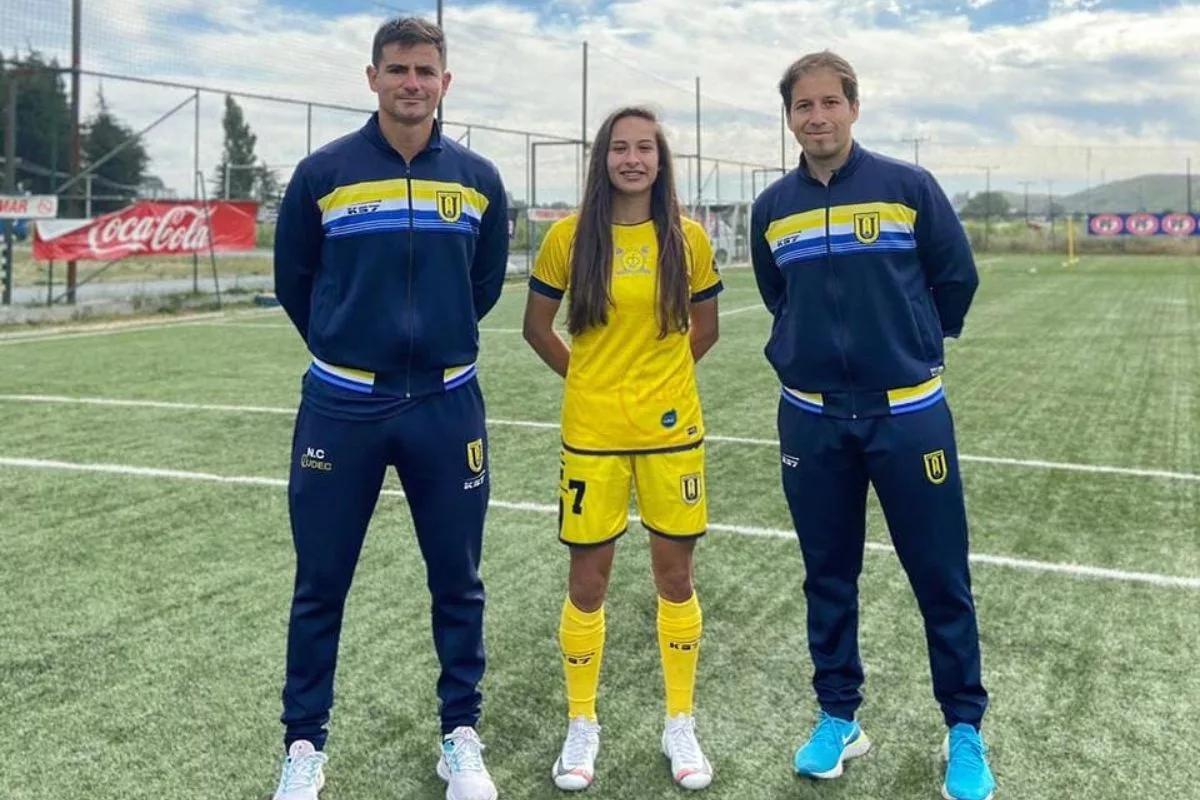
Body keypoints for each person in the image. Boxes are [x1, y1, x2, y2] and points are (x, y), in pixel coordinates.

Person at [269, 16, 509, 800]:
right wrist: (351, 348)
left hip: (446, 405)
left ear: (446, 82)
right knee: (321, 583)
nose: (412, 83)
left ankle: (460, 737)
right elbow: (295, 281)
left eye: (425, 71)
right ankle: (304, 748)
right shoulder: (321, 174)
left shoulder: (477, 180)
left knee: (458, 580)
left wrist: (428, 345)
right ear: (371, 77)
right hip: (344, 407)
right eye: (398, 69)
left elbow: (484, 283)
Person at [749, 51, 996, 800]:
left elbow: (956, 279)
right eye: (803, 106)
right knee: (828, 576)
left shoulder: (908, 187)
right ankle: (838, 717)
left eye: (830, 102)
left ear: (854, 107)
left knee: (940, 577)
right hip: (813, 423)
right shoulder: (772, 208)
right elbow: (777, 297)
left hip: (909, 415)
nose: (817, 117)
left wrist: (911, 344)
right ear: (789, 117)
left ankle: (964, 728)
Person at [522, 106, 723, 792]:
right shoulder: (569, 238)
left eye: (644, 148)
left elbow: (706, 327)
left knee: (675, 581)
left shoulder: (688, 239)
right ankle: (583, 724)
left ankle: (680, 722)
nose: (632, 159)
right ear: (602, 159)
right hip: (592, 437)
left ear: (661, 160)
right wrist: (592, 383)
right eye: (619, 148)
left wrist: (656, 384)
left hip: (671, 435)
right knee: (589, 585)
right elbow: (538, 327)